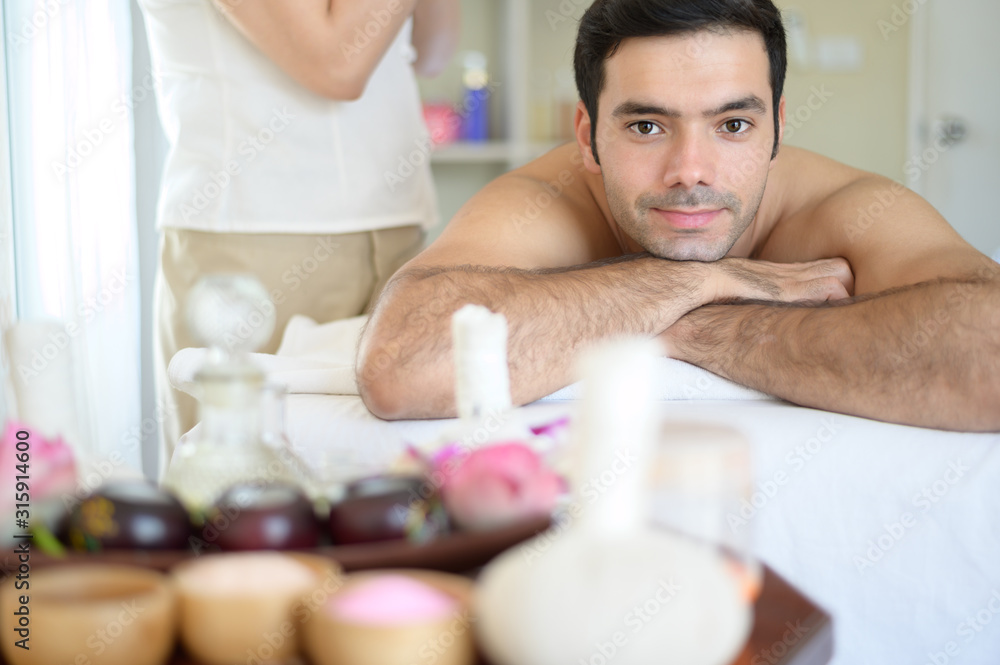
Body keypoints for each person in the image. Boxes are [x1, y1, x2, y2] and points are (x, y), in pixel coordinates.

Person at [357, 0, 1000, 432]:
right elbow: (403, 360)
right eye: (646, 124)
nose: (690, 170)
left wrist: (698, 328)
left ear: (776, 129)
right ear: (587, 136)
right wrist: (692, 285)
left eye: (733, 125)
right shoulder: (548, 203)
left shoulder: (844, 211)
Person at [140, 0, 460, 474]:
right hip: (255, 242)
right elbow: (337, 62)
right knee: (240, 497)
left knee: (388, 489)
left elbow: (434, 51)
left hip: (395, 226)